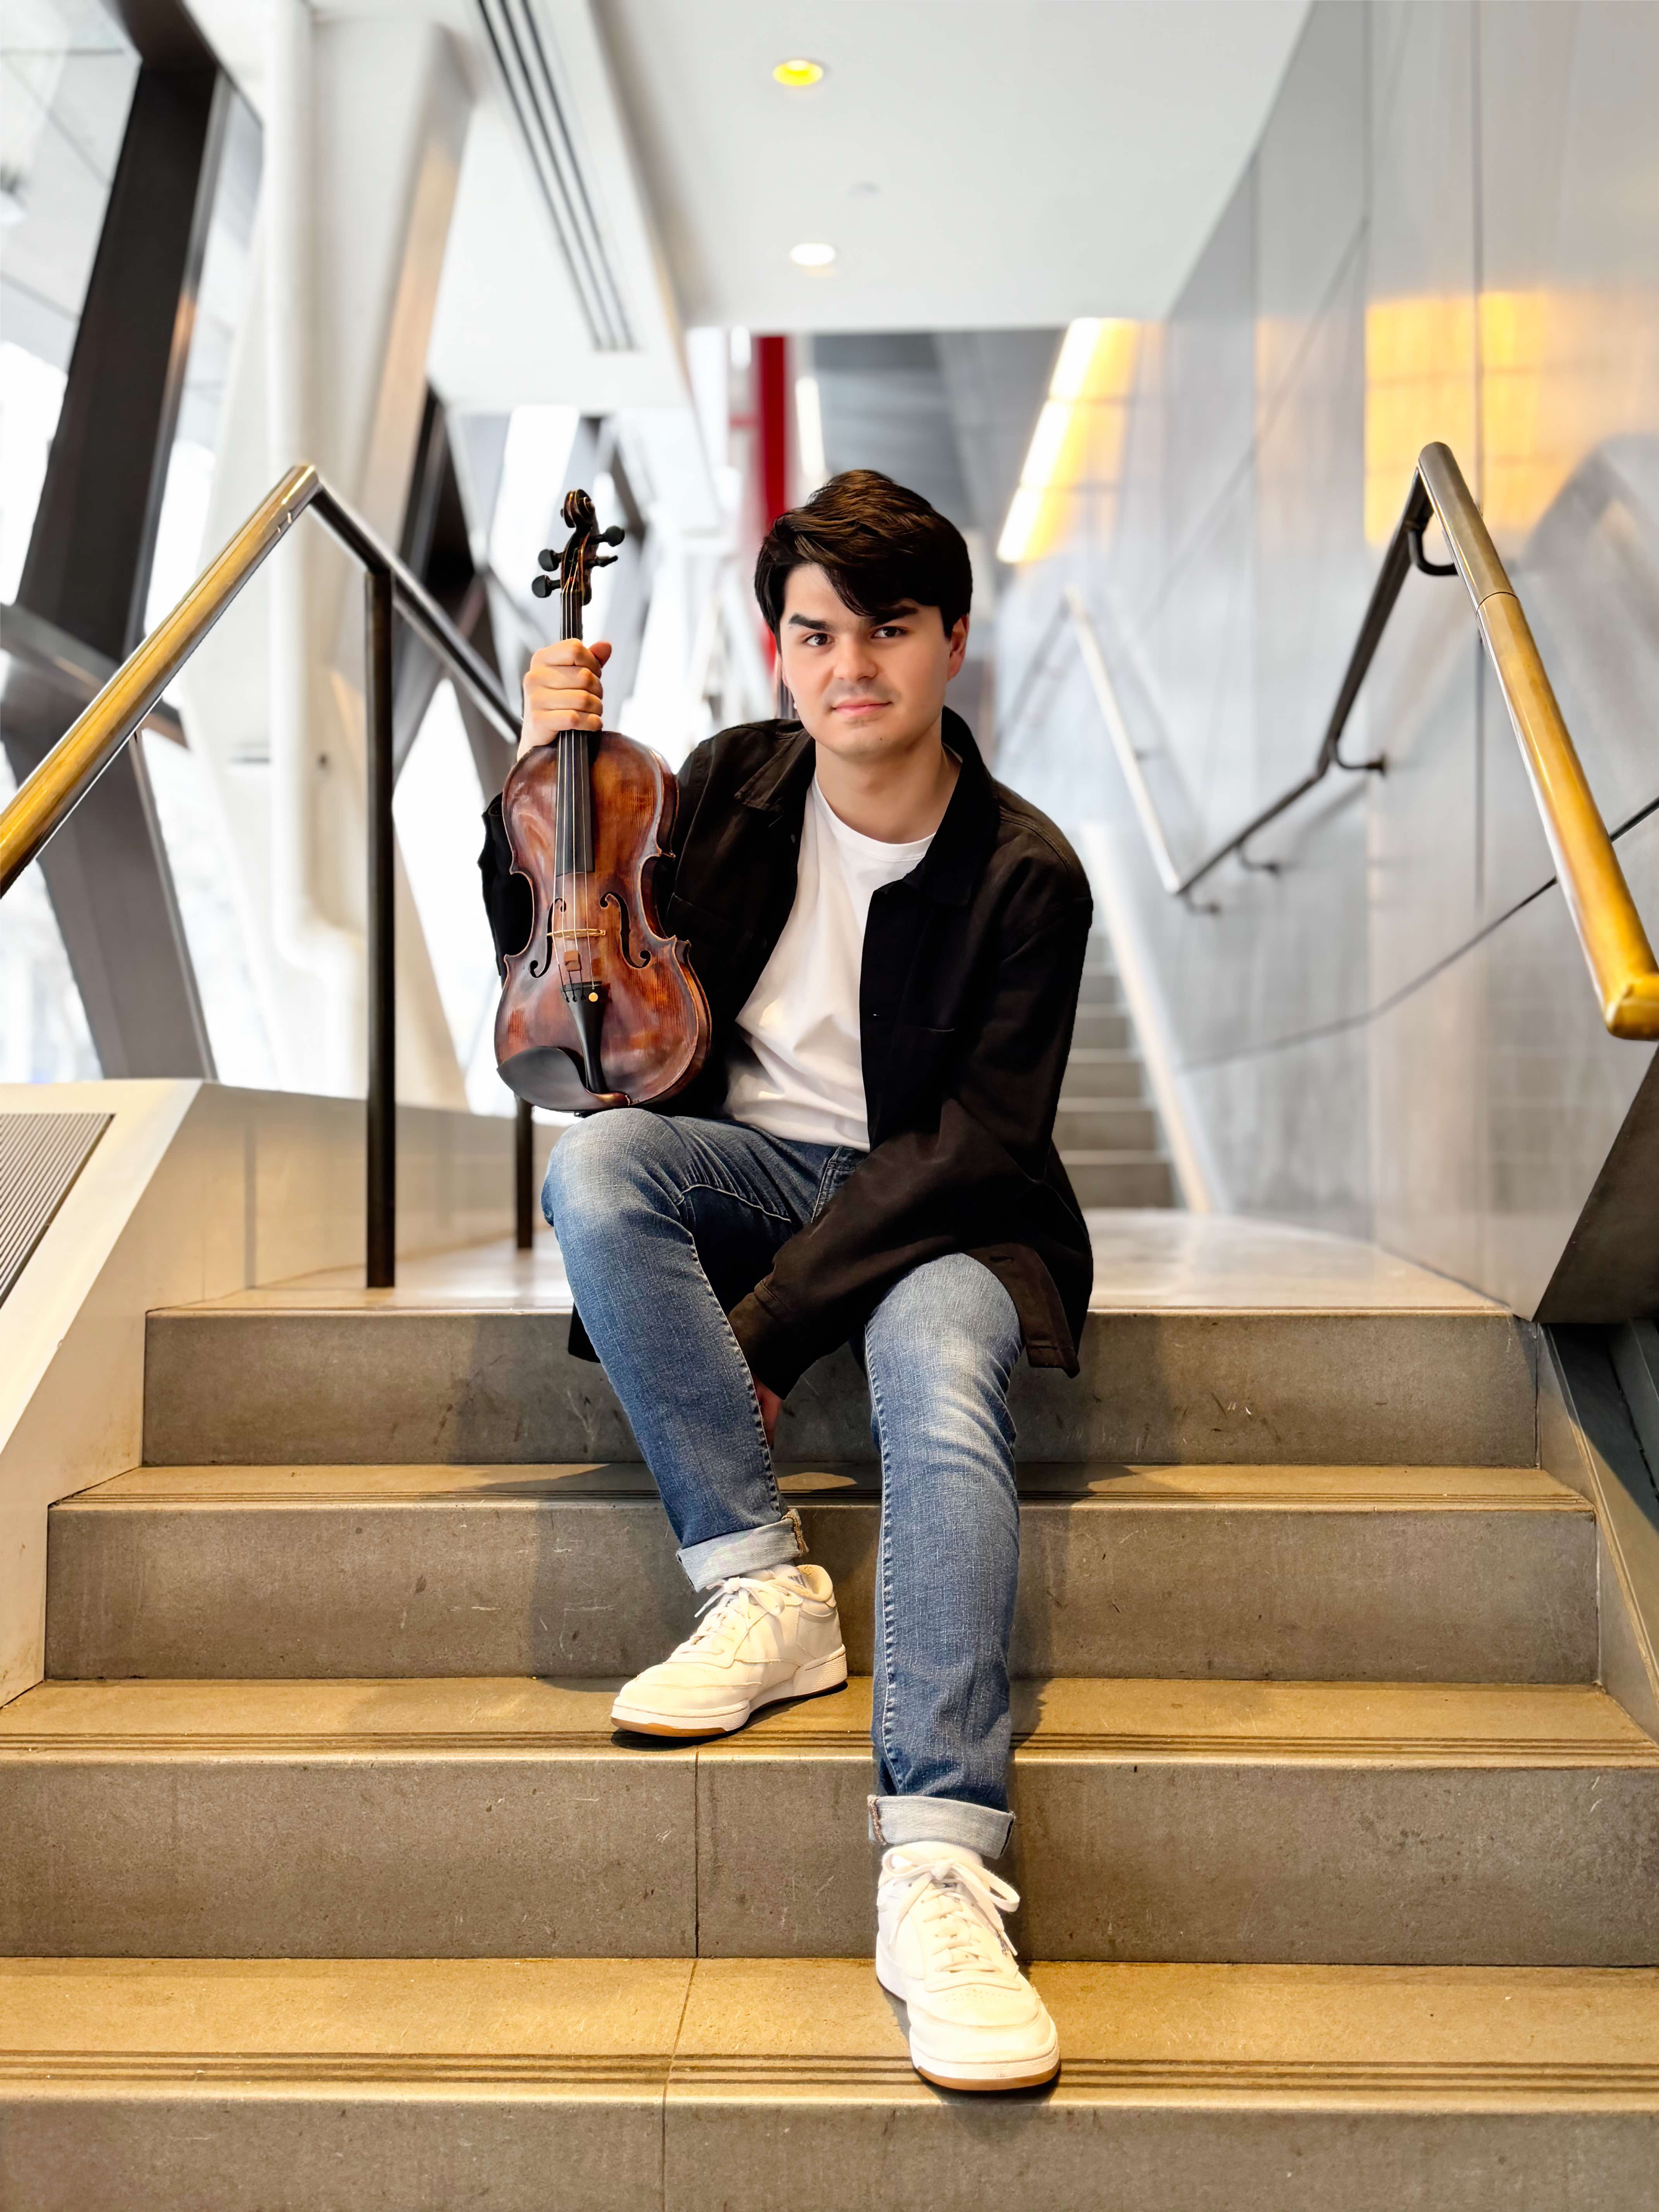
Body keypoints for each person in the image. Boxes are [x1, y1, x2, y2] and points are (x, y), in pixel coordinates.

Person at [480, 470, 1092, 2093]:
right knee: (600, 1166)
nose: (850, 667)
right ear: (778, 651)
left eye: (888, 629)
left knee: (945, 1386)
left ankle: (942, 1861)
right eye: (815, 634)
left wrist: (767, 1327)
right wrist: (531, 770)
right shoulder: (736, 785)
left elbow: (969, 1149)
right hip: (743, 1168)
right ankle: (762, 1584)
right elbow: (569, 921)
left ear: (952, 640)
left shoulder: (1029, 874)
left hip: (942, 1210)